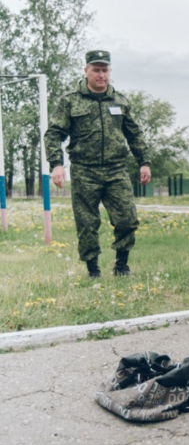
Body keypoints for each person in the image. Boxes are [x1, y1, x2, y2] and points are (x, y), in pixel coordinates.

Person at [44, 50, 151, 278]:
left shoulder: (120, 101)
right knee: (87, 223)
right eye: (96, 70)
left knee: (127, 219)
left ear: (109, 72)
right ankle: (93, 271)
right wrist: (57, 164)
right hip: (85, 171)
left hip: (116, 169)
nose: (101, 75)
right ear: (86, 71)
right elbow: (54, 133)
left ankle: (121, 266)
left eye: (104, 70)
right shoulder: (70, 101)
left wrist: (144, 162)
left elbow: (134, 134)